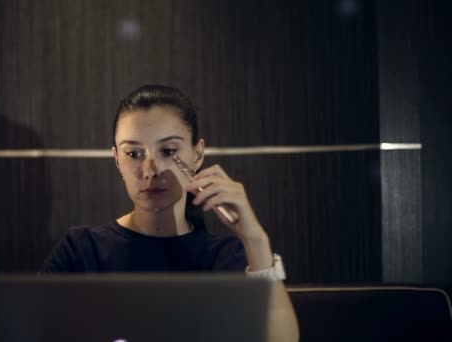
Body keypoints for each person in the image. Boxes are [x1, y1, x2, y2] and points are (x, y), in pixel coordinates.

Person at [41, 85, 299, 341]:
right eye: (133, 153)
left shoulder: (226, 258)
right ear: (117, 159)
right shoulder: (82, 251)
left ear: (197, 154)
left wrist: (255, 238)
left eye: (168, 151)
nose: (150, 170)